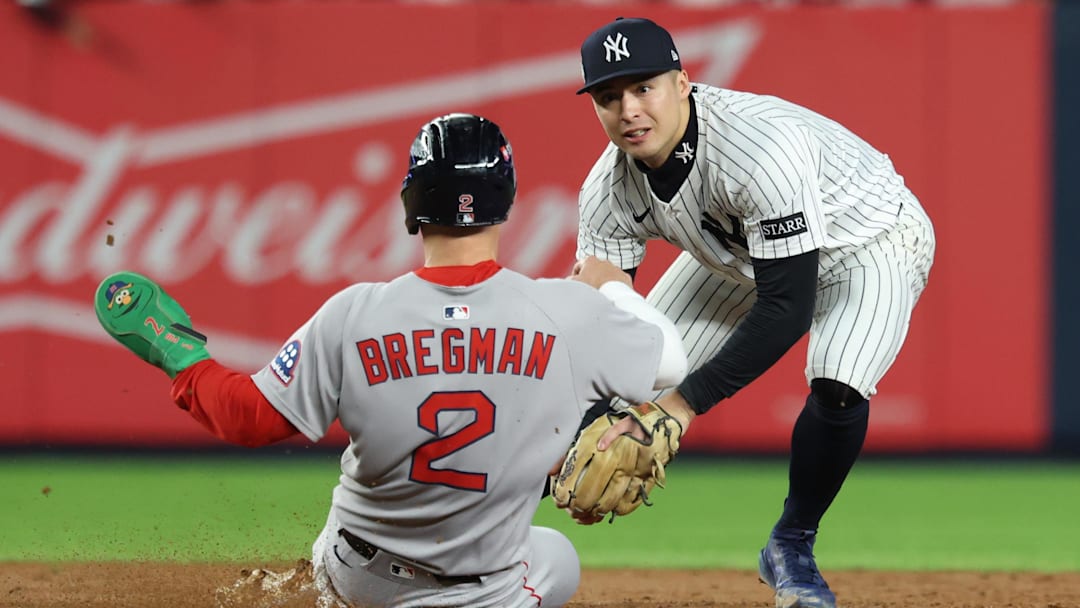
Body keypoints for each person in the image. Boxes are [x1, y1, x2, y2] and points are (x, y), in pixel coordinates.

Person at [93, 113, 688, 608]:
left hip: (357, 576)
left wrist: (177, 352)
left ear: (413, 200)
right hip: (479, 592)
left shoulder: (355, 313)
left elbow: (247, 416)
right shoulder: (568, 313)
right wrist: (612, 289)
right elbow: (673, 365)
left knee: (347, 552)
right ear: (505, 199)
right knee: (557, 555)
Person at [572, 17, 935, 608]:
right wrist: (583, 436)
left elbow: (787, 308)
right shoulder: (606, 192)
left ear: (682, 84)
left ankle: (791, 544)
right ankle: (475, 547)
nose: (629, 109)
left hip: (867, 239)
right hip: (741, 258)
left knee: (839, 380)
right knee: (623, 385)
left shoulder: (758, 149)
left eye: (644, 87)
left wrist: (679, 408)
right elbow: (604, 339)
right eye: (609, 96)